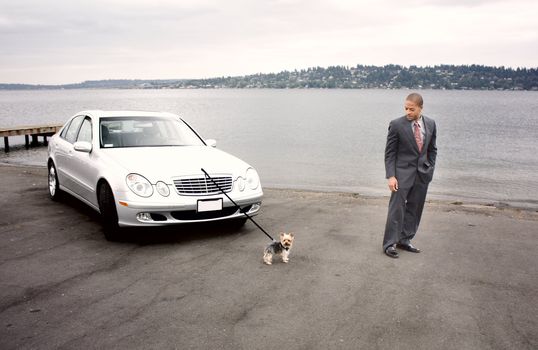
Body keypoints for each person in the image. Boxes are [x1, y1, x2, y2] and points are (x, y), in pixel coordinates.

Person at [382, 93, 437, 258]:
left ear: (421, 107)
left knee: (415, 208)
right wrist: (391, 176)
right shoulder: (397, 125)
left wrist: (430, 168)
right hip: (401, 175)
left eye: (412, 109)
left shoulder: (431, 124)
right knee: (396, 209)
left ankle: (405, 240)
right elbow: (390, 153)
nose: (408, 112)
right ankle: (389, 244)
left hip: (422, 175)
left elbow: (432, 149)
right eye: (406, 108)